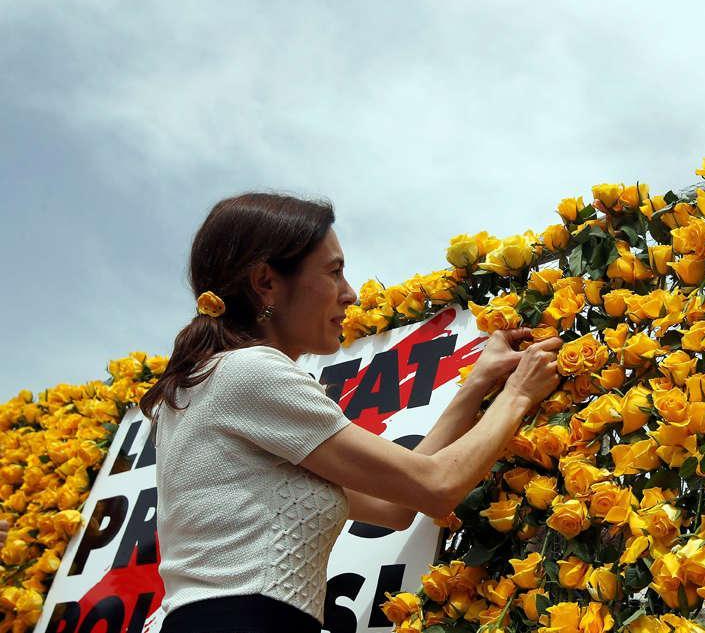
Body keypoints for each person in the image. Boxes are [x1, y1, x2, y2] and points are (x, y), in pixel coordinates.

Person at [140, 193, 562, 633]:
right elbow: (437, 486)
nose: (350, 294)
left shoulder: (211, 383)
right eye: (334, 272)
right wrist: (517, 395)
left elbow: (395, 504)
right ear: (266, 282)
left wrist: (476, 384)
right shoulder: (249, 372)